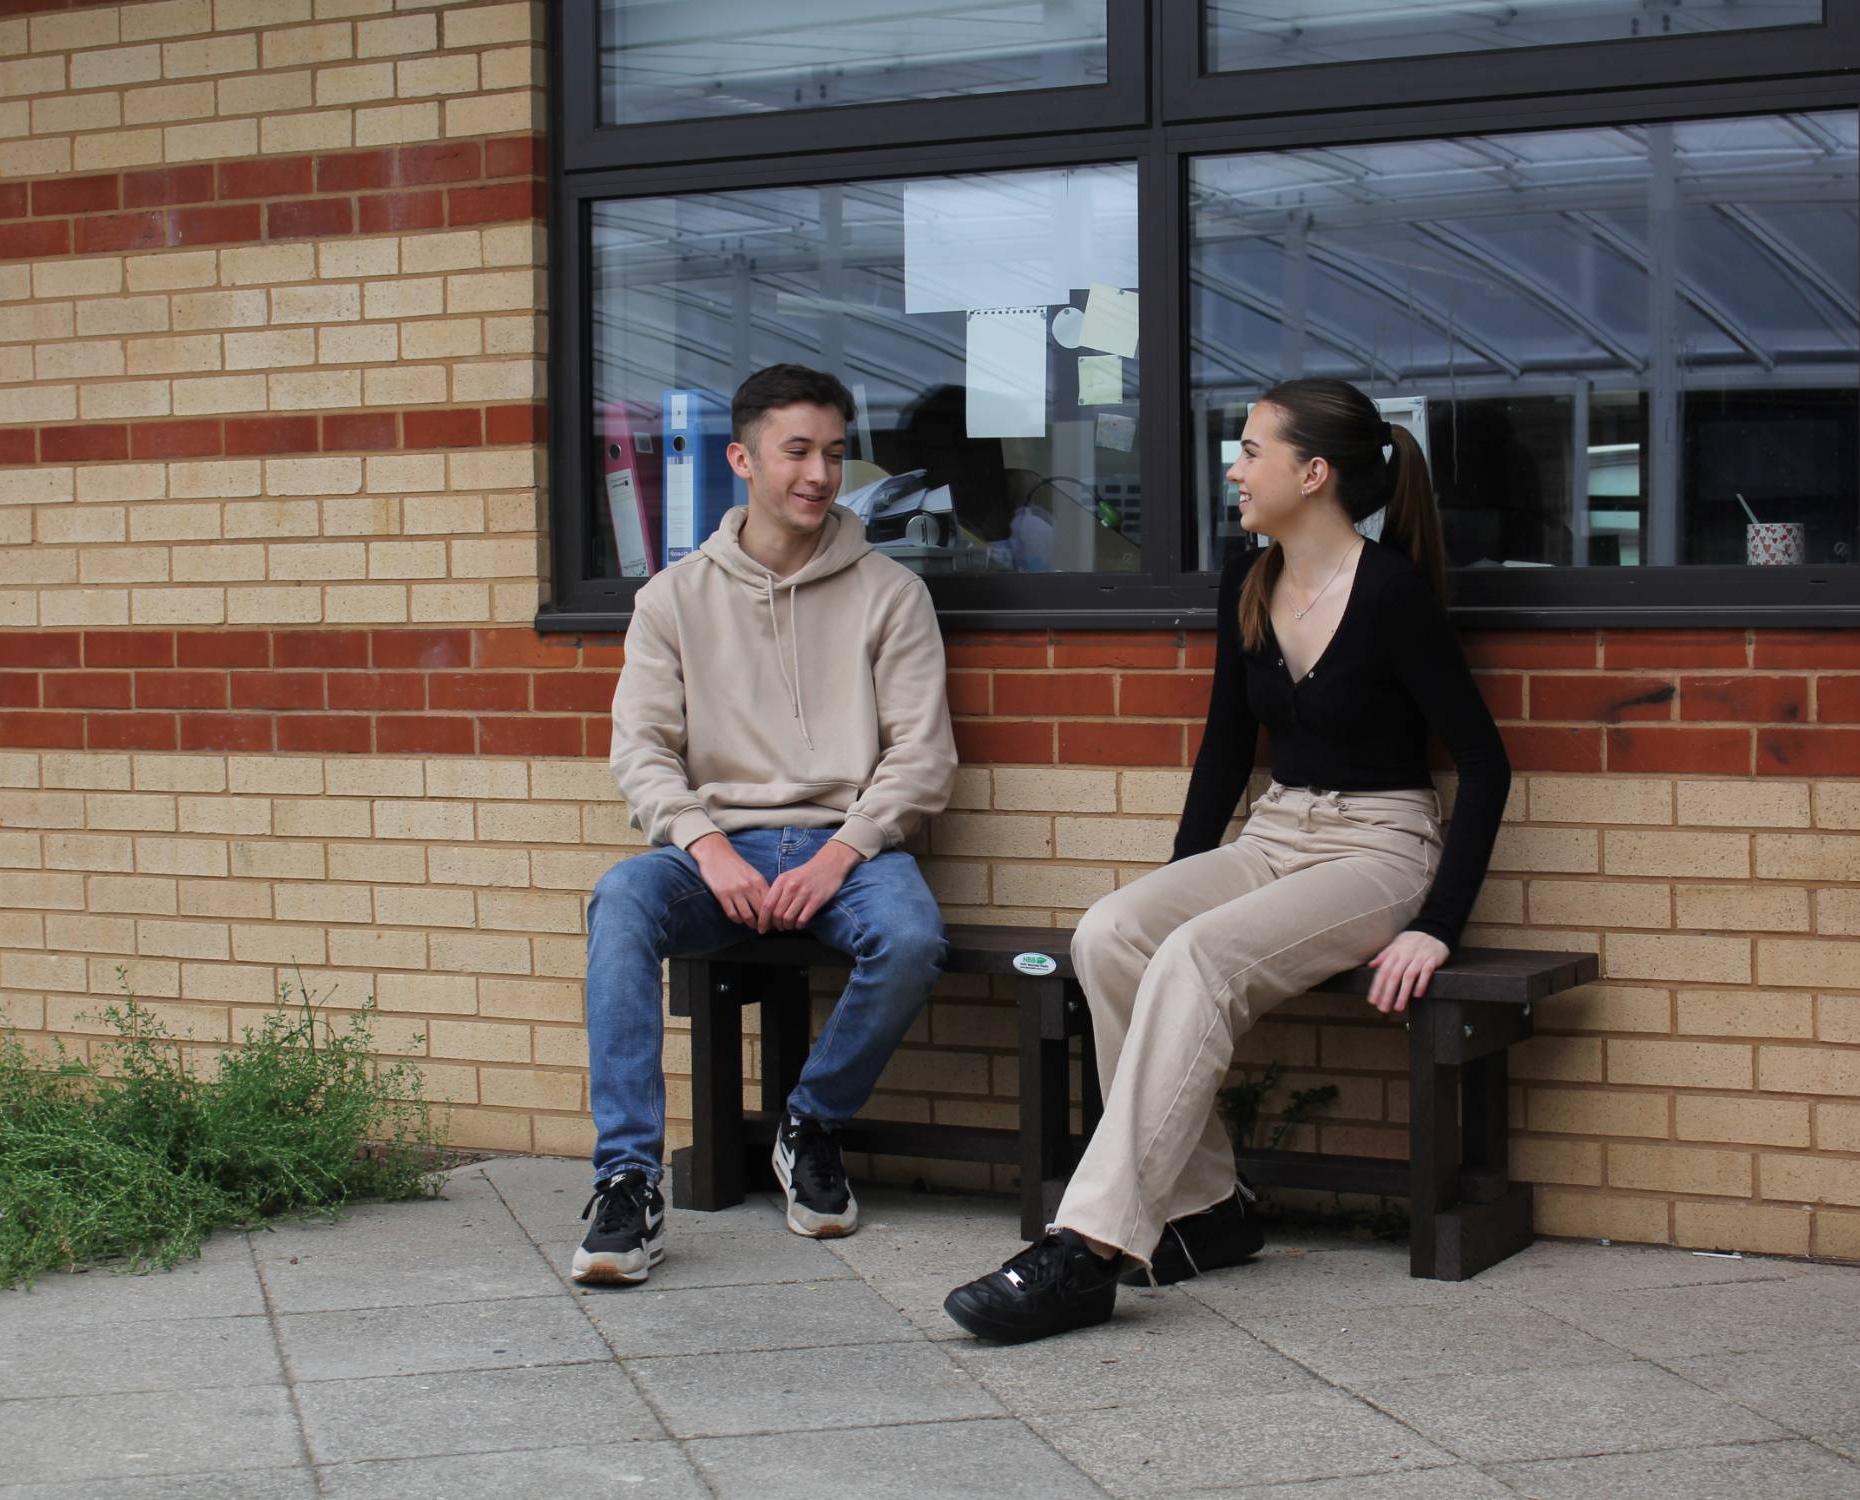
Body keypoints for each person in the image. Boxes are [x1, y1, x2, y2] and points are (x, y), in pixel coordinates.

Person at [943, 377, 1512, 1342]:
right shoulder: (1246, 580)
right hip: (1275, 829)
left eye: (1251, 450)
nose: (1233, 467)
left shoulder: (1393, 594)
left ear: (1314, 472)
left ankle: (1089, 1249)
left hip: (1379, 848)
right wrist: (1174, 881)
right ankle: (1208, 1208)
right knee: (1116, 932)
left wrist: (1434, 928)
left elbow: (1487, 766)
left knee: (1198, 959)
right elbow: (1222, 751)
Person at [572, 364, 958, 1286]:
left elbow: (922, 756)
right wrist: (705, 847)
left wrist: (841, 854)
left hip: (847, 845)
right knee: (621, 901)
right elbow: (643, 752)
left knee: (909, 938)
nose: (819, 475)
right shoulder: (672, 600)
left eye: (832, 453)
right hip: (718, 847)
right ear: (744, 458)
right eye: (797, 452)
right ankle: (628, 1178)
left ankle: (810, 1121)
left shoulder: (890, 594)